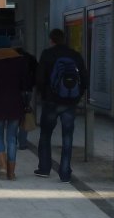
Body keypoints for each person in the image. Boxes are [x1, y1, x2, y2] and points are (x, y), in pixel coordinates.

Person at [34, 29, 88, 182]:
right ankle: (65, 173)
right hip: (69, 102)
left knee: (45, 134)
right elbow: (84, 78)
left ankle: (44, 168)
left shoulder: (47, 54)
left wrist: (43, 94)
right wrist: (76, 97)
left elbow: (39, 78)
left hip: (51, 101)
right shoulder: (75, 55)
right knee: (67, 137)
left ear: (51, 40)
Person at [0, 35, 30, 180]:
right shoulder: (20, 60)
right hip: (15, 104)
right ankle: (12, 172)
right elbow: (26, 84)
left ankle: (2, 168)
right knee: (12, 138)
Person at [15, 47, 38, 150]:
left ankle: (13, 140)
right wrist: (32, 84)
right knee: (25, 114)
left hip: (15, 91)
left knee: (14, 116)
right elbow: (37, 73)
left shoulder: (13, 59)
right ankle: (23, 143)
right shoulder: (31, 58)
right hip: (27, 90)